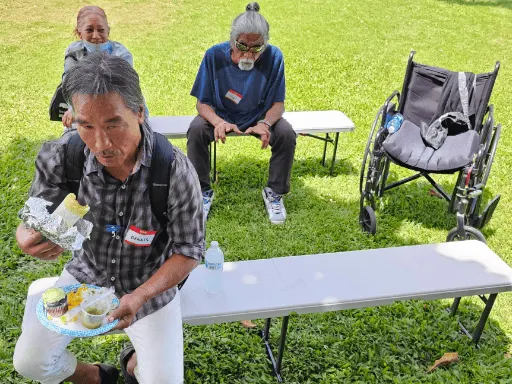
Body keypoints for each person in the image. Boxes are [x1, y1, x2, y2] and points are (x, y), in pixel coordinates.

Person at [14, 53, 204, 384]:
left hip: (147, 283)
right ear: (72, 118)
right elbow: (36, 214)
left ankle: (134, 364)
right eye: (86, 125)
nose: (101, 144)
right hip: (85, 275)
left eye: (113, 123)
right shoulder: (64, 157)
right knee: (30, 362)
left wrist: (141, 295)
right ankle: (95, 376)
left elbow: (189, 250)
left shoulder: (173, 169)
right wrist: (26, 236)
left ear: (140, 112)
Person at [187, 2, 296, 225]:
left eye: (257, 48)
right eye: (242, 45)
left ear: (265, 44)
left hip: (258, 116)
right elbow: (202, 103)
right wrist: (217, 122)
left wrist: (265, 123)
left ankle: (274, 192)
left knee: (286, 133)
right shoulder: (214, 56)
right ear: (232, 40)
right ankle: (201, 192)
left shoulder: (274, 57)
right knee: (197, 129)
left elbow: (278, 104)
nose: (248, 53)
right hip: (221, 114)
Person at [60, 6, 137, 129]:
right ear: (79, 33)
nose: (96, 36)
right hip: (80, 112)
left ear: (108, 31)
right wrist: (74, 109)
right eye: (89, 30)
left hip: (118, 111)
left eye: (101, 30)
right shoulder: (73, 52)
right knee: (72, 141)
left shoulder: (122, 54)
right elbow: (69, 85)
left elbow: (123, 91)